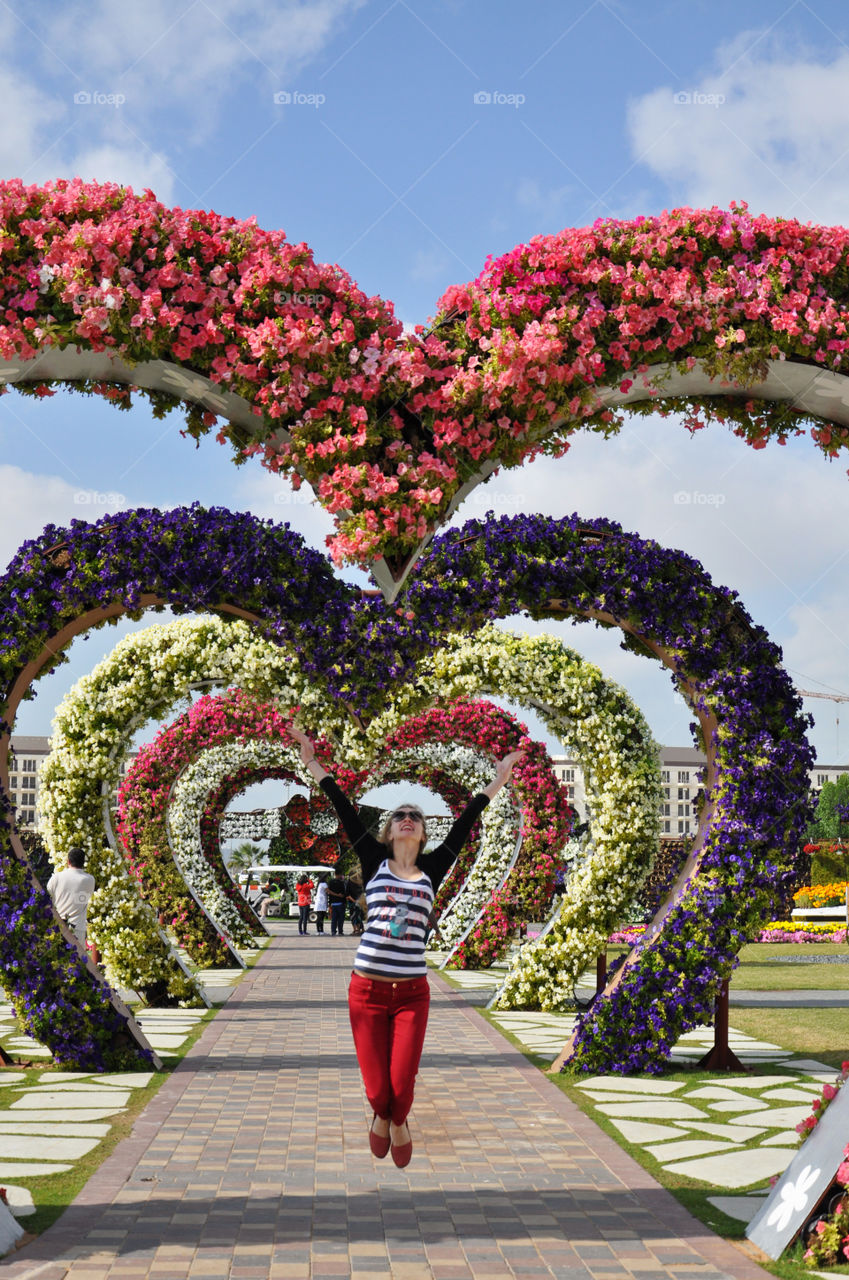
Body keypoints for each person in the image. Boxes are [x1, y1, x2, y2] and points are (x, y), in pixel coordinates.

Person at [290, 725, 522, 1168]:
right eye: (400, 815)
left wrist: (500, 778)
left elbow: (469, 819)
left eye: (416, 815)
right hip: (366, 992)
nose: (408, 817)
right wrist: (311, 762)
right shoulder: (374, 860)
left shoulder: (434, 867)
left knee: (403, 1081)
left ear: (422, 834)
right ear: (389, 831)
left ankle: (396, 1119)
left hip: (413, 994)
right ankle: (387, 1115)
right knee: (379, 1087)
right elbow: (342, 805)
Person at [46, 847, 96, 947]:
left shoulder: (56, 877)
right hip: (78, 928)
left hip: (58, 925)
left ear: (68, 861)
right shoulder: (90, 880)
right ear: (83, 862)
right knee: (78, 960)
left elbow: (48, 895)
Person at [327, 869, 347, 935]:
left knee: (334, 918)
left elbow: (329, 893)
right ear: (339, 874)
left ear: (335, 874)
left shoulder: (330, 882)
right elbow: (344, 893)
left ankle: (333, 931)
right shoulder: (341, 882)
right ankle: (340, 931)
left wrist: (330, 903)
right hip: (340, 902)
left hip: (333, 903)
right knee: (340, 919)